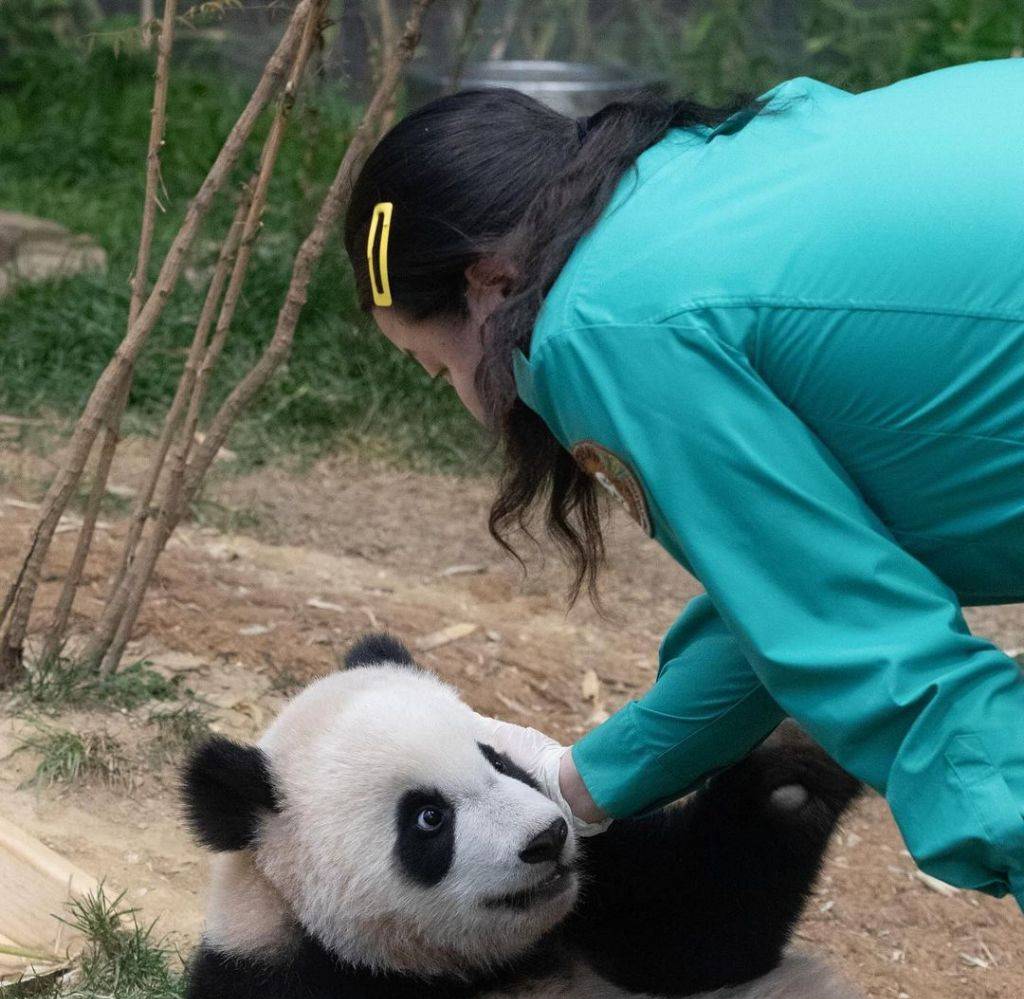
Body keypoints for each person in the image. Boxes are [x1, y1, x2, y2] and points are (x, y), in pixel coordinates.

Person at [343, 60, 1024, 910]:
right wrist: (582, 783)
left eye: (433, 363)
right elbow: (786, 595)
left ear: (489, 283)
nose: (460, 400)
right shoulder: (688, 184)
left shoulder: (608, 324)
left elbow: (868, 654)